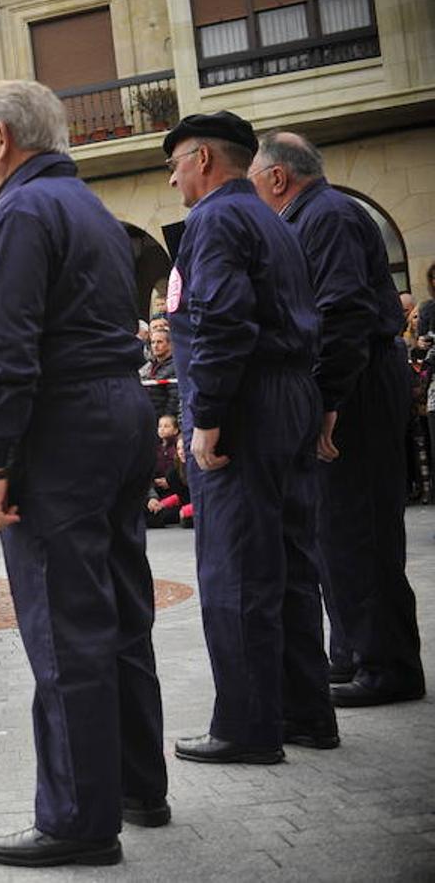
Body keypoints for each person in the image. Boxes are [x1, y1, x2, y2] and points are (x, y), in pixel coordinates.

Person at [0, 80, 167, 867]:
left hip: (61, 429)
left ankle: (81, 818)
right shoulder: (95, 212)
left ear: (4, 138)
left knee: (63, 622)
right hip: (118, 412)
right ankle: (138, 784)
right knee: (120, 605)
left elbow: (1, 350)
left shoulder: (17, 214)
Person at [163, 112, 334, 762]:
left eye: (177, 163)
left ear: (204, 158)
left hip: (247, 407)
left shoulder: (215, 219)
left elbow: (220, 325)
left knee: (236, 571)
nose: (174, 176)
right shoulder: (269, 215)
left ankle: (245, 727)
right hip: (288, 395)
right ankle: (306, 714)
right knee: (291, 568)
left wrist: (205, 419)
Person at [249, 131, 425, 707]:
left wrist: (325, 400)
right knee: (334, 529)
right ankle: (352, 651)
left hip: (359, 385)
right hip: (346, 383)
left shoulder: (328, 216)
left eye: (253, 178)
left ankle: (387, 665)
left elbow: (341, 312)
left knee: (359, 527)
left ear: (278, 177)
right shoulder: (311, 216)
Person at [139, 329, 179, 419]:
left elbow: (174, 398)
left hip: (163, 420)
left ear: (170, 344)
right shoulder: (149, 365)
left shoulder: (175, 367)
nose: (155, 346)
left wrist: (166, 419)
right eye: (153, 342)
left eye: (159, 342)